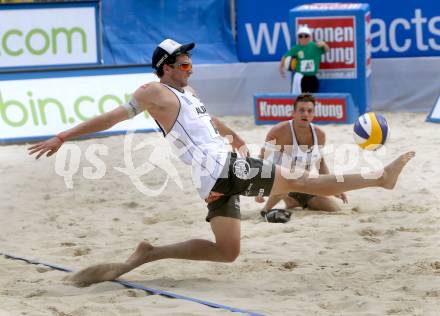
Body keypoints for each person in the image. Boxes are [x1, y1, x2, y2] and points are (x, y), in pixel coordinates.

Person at [28, 38, 414, 286]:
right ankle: (380, 178)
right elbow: (113, 117)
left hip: (220, 169)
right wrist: (64, 136)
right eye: (183, 64)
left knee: (226, 251)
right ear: (165, 65)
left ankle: (150, 252)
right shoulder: (152, 91)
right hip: (220, 170)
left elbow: (207, 120)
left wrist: (237, 136)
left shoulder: (187, 92)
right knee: (303, 181)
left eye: (191, 64)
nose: (189, 68)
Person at [256, 93, 347, 221]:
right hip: (278, 185)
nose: (305, 114)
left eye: (310, 111)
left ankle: (294, 202)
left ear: (314, 114)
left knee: (335, 209)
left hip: (303, 185)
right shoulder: (279, 131)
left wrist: (333, 187)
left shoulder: (320, 135)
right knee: (288, 175)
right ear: (293, 113)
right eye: (302, 110)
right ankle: (265, 210)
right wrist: (260, 189)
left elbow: (320, 164)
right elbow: (262, 159)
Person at [279, 26, 329, 94]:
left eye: (305, 36)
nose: (303, 38)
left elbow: (327, 50)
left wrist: (324, 44)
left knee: (312, 100)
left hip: (313, 78)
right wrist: (281, 68)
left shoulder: (315, 46)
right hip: (301, 78)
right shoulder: (296, 48)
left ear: (309, 37)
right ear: (298, 38)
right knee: (302, 99)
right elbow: (285, 56)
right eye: (300, 36)